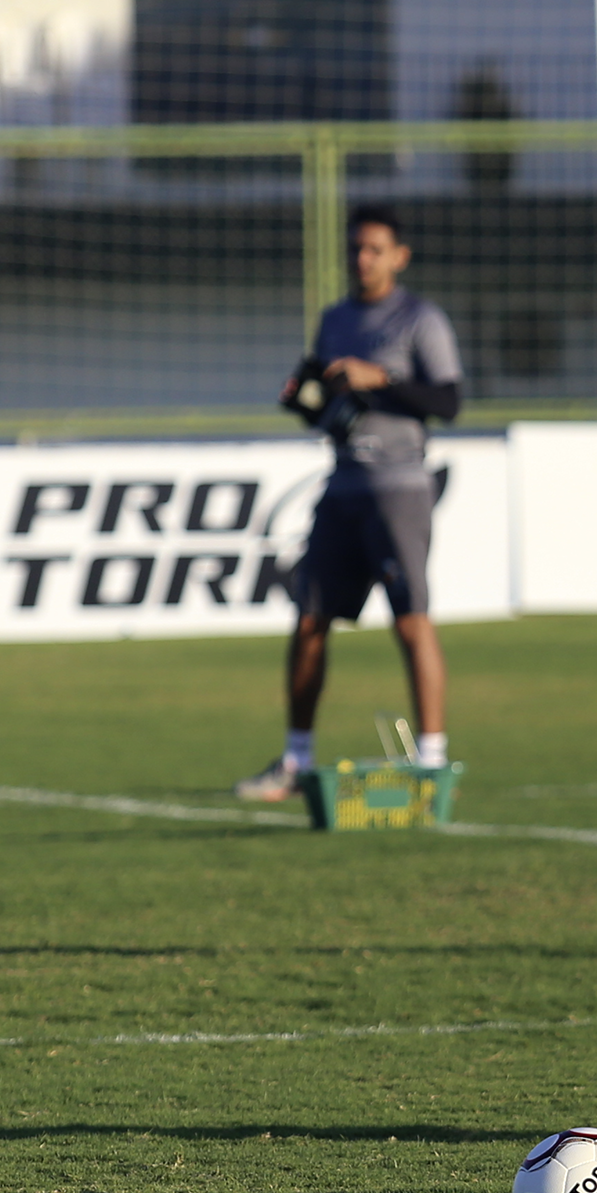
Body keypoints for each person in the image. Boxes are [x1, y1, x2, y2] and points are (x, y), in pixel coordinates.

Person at [237, 205, 462, 800]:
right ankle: (295, 761)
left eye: (374, 249)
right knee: (310, 620)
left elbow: (449, 401)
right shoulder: (334, 319)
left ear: (399, 256)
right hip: (343, 485)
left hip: (398, 487)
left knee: (410, 619)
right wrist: (306, 397)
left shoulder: (420, 319)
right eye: (356, 248)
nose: (362, 259)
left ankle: (432, 762)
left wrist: (380, 379)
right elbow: (328, 405)